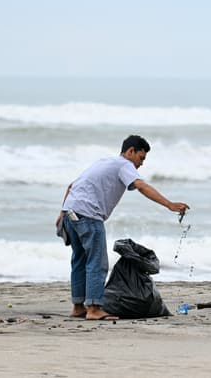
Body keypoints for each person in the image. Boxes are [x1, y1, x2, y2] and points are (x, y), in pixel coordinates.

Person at [56, 135, 189, 320]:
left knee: (79, 260)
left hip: (70, 212)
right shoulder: (124, 165)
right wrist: (169, 205)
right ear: (130, 151)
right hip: (88, 214)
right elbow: (141, 186)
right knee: (97, 262)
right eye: (141, 158)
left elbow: (71, 186)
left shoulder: (104, 162)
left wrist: (62, 214)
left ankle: (78, 307)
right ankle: (94, 309)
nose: (141, 164)